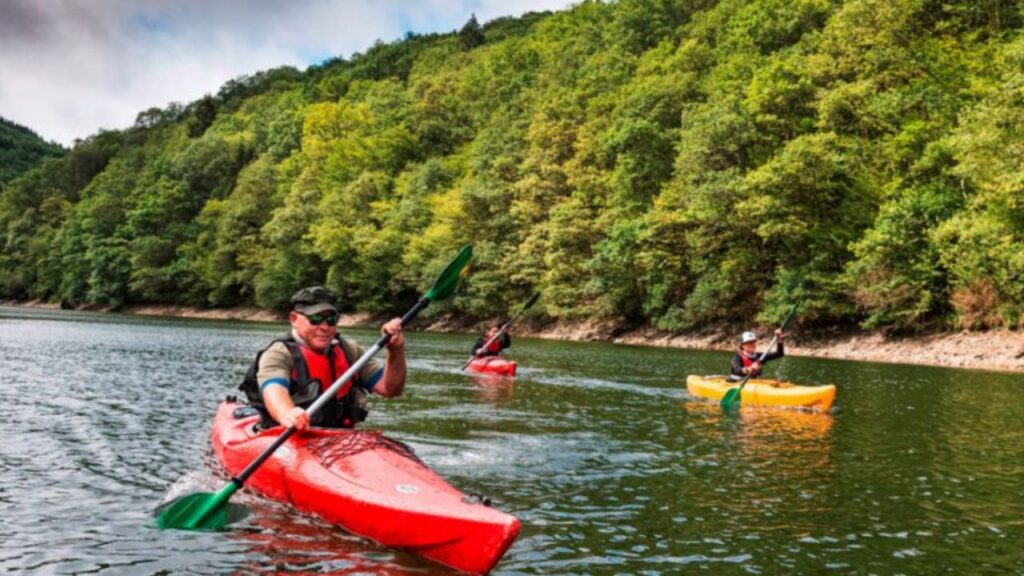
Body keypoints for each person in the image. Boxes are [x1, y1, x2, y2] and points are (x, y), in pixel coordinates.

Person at [239, 286, 406, 431]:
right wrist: (288, 414)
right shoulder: (279, 353)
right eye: (316, 319)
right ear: (294, 319)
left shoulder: (350, 350)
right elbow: (274, 390)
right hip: (290, 437)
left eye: (331, 319)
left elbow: (390, 389)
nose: (324, 327)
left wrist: (395, 350)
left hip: (339, 438)